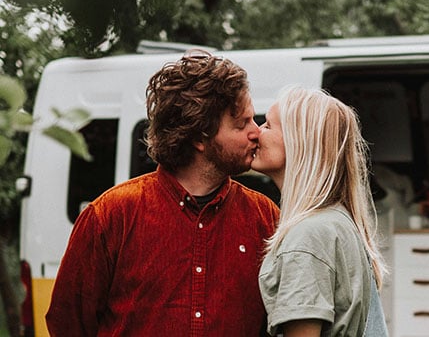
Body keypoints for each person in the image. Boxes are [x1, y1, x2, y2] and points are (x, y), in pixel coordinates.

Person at [46, 50, 281, 336]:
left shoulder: (265, 217)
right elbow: (67, 324)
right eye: (242, 123)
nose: (256, 132)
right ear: (199, 138)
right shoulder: (110, 216)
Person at [252, 86, 388, 337]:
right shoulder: (336, 221)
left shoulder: (308, 235)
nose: (256, 132)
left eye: (268, 125)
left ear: (298, 141)